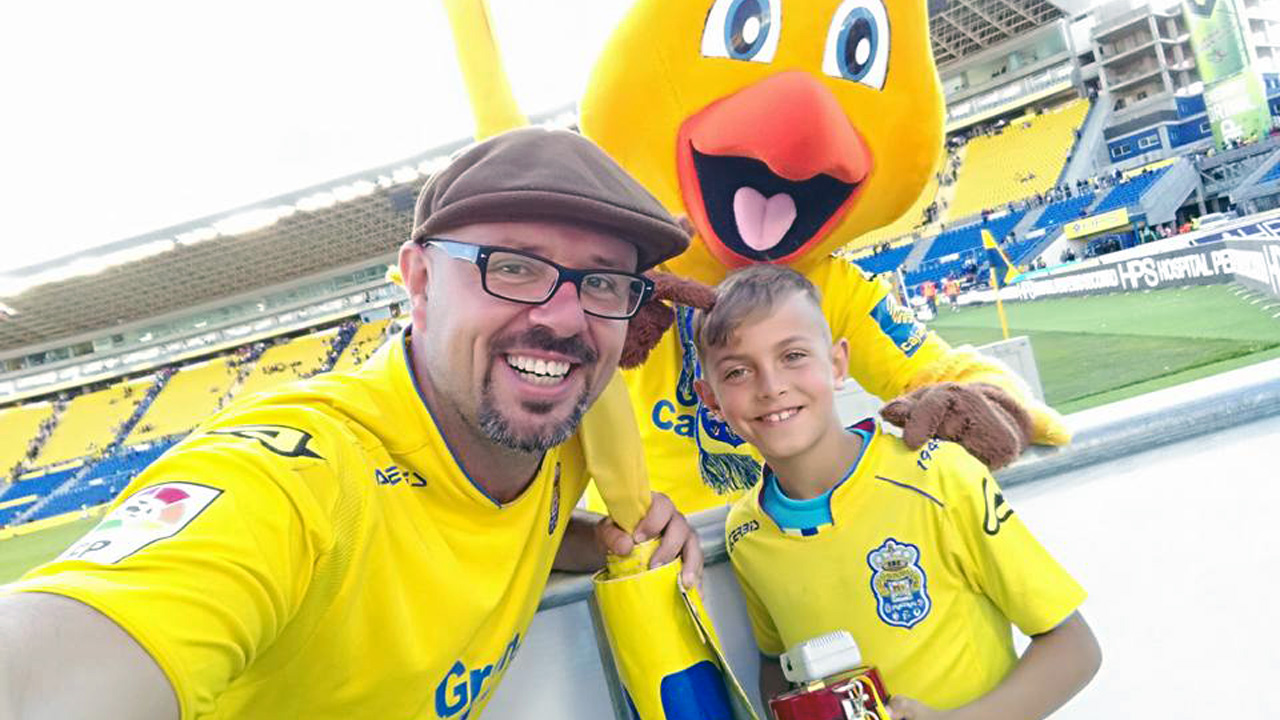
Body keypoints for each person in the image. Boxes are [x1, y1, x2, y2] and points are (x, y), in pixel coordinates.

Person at [0, 127, 704, 720]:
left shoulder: (563, 425)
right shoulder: (302, 477)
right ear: (420, 283)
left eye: (604, 280)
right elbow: (51, 661)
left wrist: (587, 538)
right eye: (512, 267)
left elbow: (459, 523)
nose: (562, 317)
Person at [693, 266, 1101, 719]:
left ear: (837, 364)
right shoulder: (746, 533)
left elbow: (1075, 648)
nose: (771, 387)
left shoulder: (938, 477)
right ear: (710, 400)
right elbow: (778, 665)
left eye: (792, 356)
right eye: (737, 372)